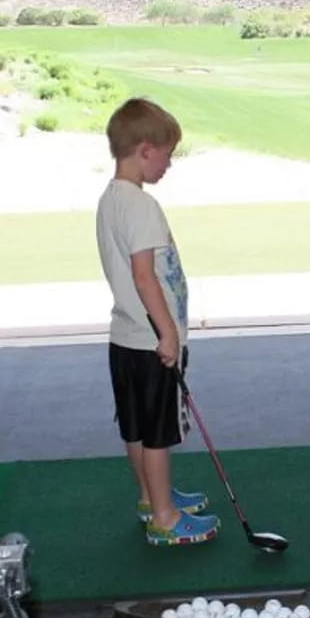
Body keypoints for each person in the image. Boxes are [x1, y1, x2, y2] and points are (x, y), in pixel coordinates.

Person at [96, 97, 220, 545]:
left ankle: (152, 497)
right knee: (158, 433)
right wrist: (168, 334)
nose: (169, 163)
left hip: (124, 338)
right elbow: (144, 275)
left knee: (135, 425)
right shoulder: (142, 207)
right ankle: (166, 520)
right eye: (167, 153)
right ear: (145, 149)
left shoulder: (111, 199)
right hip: (151, 343)